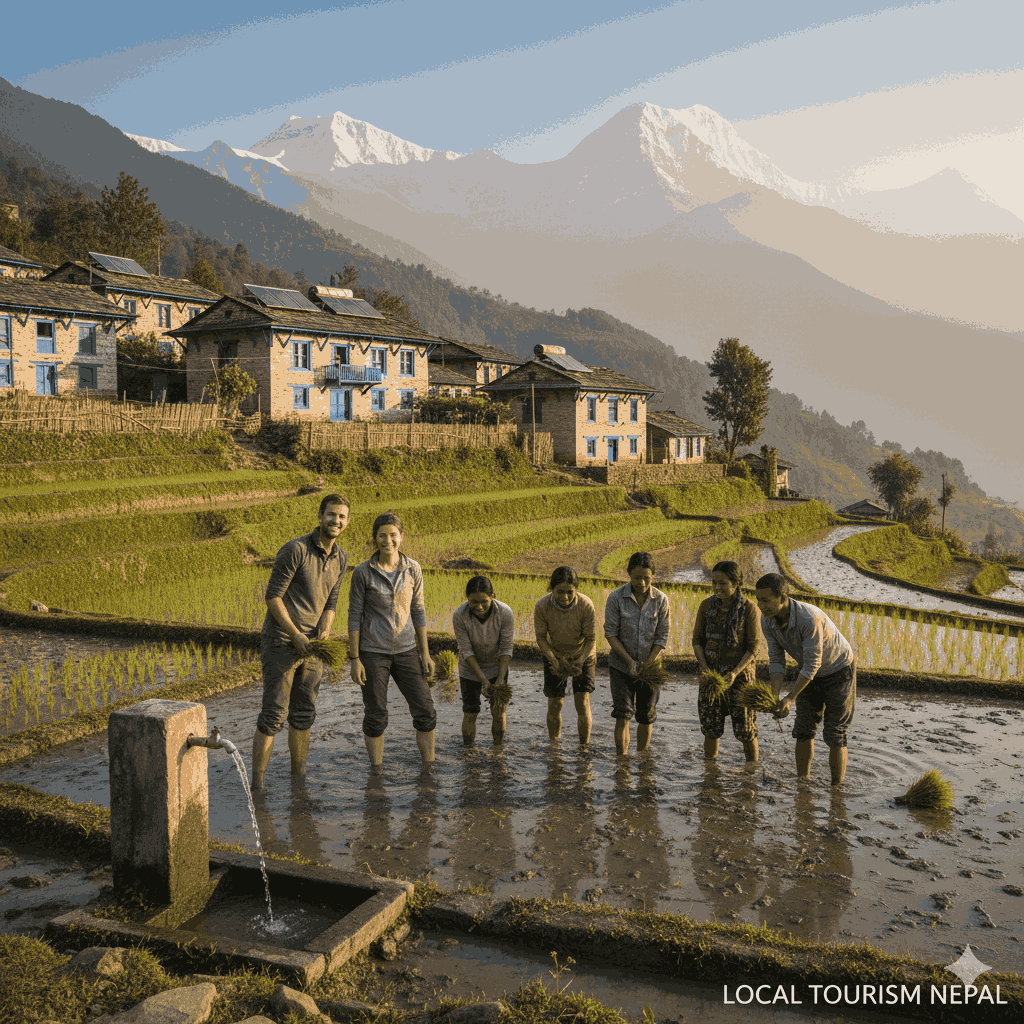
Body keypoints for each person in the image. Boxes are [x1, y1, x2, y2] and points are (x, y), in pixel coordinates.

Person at [252, 493, 350, 789]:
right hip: (283, 641)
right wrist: (295, 633)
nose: (336, 521)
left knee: (304, 713)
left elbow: (331, 602)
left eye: (342, 516)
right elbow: (273, 596)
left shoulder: (341, 558)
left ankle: (298, 779)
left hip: (313, 648)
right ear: (320, 516)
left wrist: (325, 630)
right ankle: (257, 785)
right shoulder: (296, 550)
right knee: (273, 714)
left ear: (347, 522)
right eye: (331, 514)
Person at [349, 512, 436, 766]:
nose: (388, 540)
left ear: (401, 537)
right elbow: (354, 615)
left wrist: (425, 653)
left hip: (407, 649)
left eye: (393, 535)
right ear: (375, 538)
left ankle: (428, 766)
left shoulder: (413, 569)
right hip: (373, 651)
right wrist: (355, 658)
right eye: (382, 535)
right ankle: (376, 771)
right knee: (376, 714)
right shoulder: (363, 573)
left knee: (426, 711)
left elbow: (418, 612)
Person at [754, 572, 856, 785]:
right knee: (803, 729)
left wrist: (789, 698)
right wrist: (775, 694)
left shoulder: (809, 617)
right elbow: (776, 659)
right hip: (809, 672)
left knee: (834, 733)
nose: (760, 605)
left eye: (765, 600)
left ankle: (836, 788)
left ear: (782, 598)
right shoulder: (768, 620)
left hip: (839, 669)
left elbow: (813, 664)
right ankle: (803, 781)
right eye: (758, 600)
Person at [692, 561, 762, 763]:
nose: (717, 588)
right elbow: (697, 641)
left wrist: (735, 672)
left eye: (722, 583)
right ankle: (710, 772)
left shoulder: (749, 608)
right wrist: (704, 667)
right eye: (714, 583)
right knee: (710, 728)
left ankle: (751, 772)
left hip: (740, 677)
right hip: (711, 675)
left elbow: (753, 647)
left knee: (746, 728)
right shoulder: (706, 606)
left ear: (735, 583)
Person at [603, 551, 671, 755]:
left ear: (653, 576)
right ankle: (622, 761)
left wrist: (648, 663)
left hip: (651, 667)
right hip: (621, 666)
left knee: (646, 715)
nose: (641, 582)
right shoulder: (616, 598)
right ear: (628, 575)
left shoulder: (660, 599)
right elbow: (611, 633)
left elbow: (662, 636)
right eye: (637, 577)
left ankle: (642, 758)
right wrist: (630, 662)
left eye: (646, 578)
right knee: (623, 714)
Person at [533, 566, 597, 744]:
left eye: (570, 592)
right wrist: (554, 660)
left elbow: (591, 639)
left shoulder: (585, 605)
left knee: (582, 702)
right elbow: (541, 638)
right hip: (555, 653)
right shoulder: (542, 605)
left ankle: (584, 746)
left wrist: (580, 660)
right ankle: (555, 744)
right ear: (551, 589)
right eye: (560, 592)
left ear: (576, 590)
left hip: (583, 653)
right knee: (555, 703)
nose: (565, 597)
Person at [452, 575, 515, 746]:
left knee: (498, 711)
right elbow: (466, 650)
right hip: (469, 669)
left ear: (493, 596)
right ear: (467, 598)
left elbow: (506, 647)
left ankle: (498, 750)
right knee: (471, 712)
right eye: (473, 602)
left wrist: (500, 680)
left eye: (484, 602)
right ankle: (468, 752)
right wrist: (484, 681)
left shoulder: (504, 613)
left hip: (497, 667)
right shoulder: (460, 615)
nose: (479, 607)